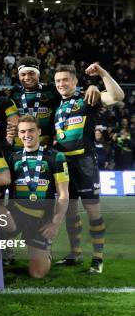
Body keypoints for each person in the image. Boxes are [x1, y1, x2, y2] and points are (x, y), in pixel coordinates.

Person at [53, 63, 124, 273]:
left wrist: (101, 74)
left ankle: (98, 258)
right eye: (58, 81)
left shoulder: (88, 97)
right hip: (65, 164)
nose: (61, 84)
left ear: (75, 81)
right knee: (71, 213)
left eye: (65, 79)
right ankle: (75, 254)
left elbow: (118, 96)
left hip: (85, 162)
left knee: (93, 211)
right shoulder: (58, 106)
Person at [5, 115, 69, 278]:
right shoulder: (13, 157)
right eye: (23, 131)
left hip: (40, 219)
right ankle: (5, 249)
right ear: (18, 134)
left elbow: (63, 194)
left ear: (39, 131)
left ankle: (45, 251)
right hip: (16, 212)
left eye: (31, 130)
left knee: (37, 273)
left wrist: (55, 223)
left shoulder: (56, 157)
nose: (27, 135)